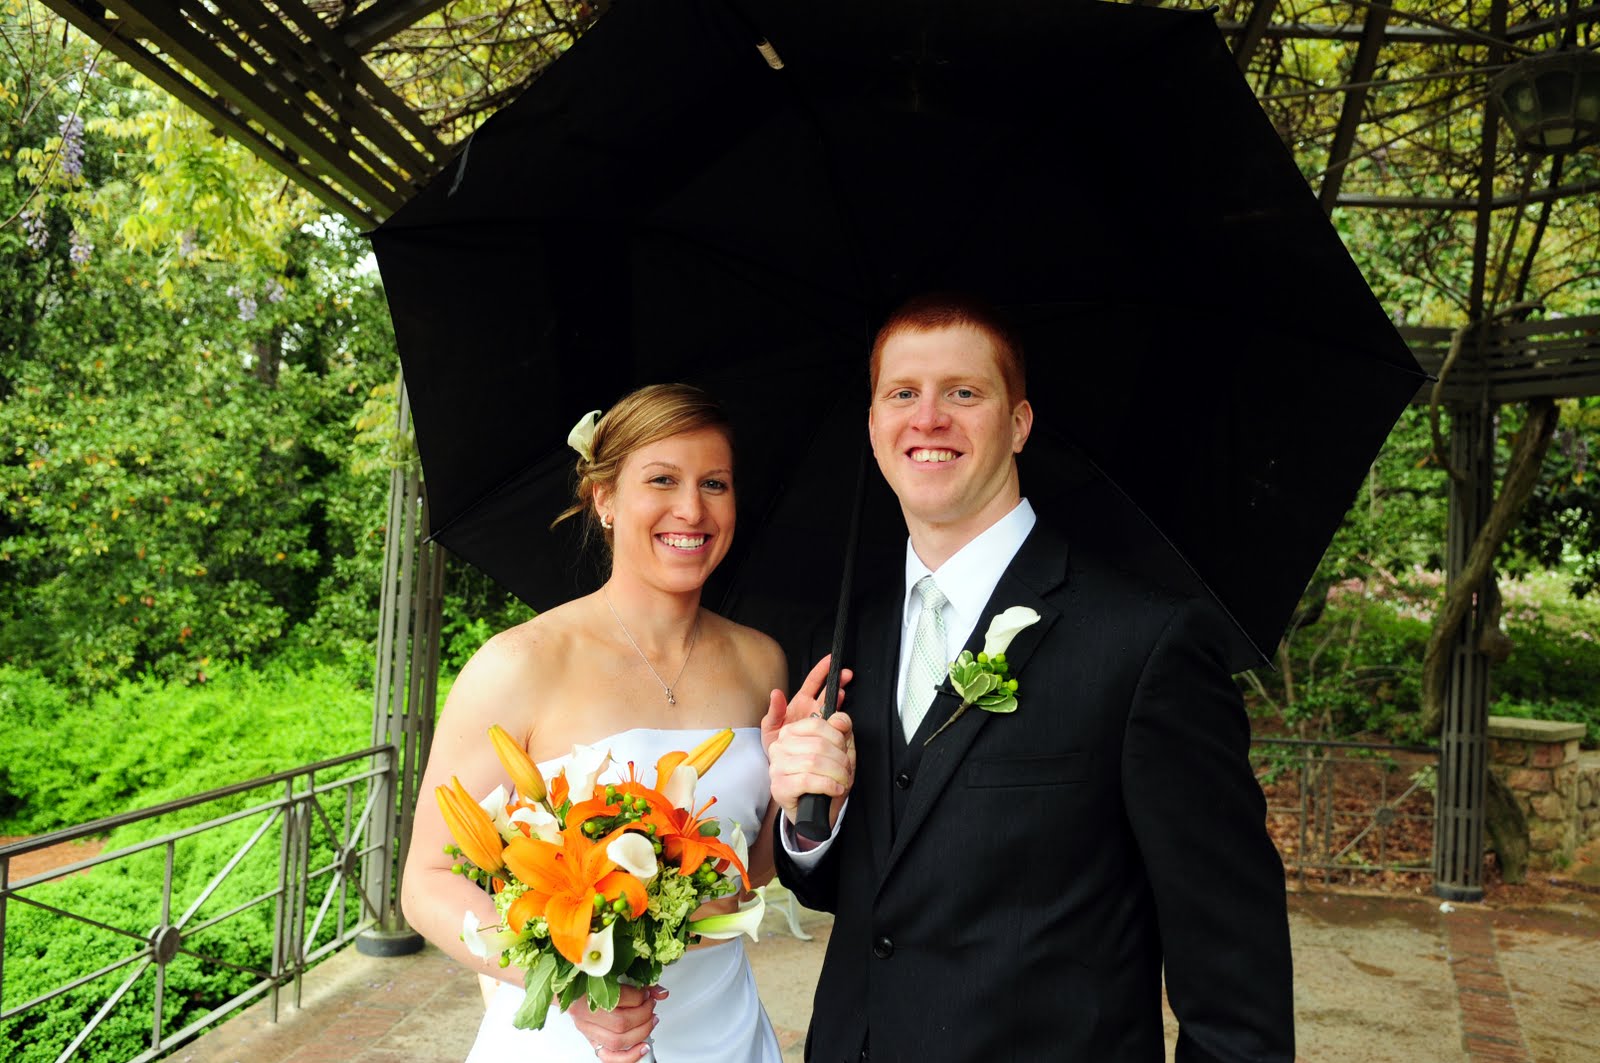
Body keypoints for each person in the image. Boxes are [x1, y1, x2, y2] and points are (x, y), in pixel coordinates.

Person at [765, 294, 1296, 1061]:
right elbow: (847, 891)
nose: (929, 417)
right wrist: (809, 821)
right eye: (903, 393)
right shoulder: (849, 635)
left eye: (964, 392)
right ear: (875, 427)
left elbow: (1234, 968)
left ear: (1018, 423)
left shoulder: (1147, 643)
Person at [402, 383, 830, 1063]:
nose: (692, 508)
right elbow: (425, 880)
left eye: (714, 483)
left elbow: (749, 873)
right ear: (604, 497)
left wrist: (798, 796)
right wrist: (567, 977)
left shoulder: (762, 661)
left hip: (725, 1034)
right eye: (662, 479)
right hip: (567, 1041)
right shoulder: (521, 662)